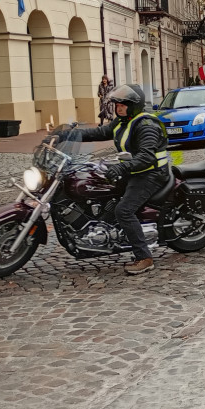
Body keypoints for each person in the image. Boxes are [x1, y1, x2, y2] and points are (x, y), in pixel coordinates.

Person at [53, 84, 170, 275]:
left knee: (124, 210)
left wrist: (122, 166)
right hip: (134, 170)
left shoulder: (146, 125)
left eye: (124, 104)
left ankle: (144, 257)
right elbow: (99, 133)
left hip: (150, 173)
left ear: (134, 105)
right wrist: (66, 135)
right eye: (117, 104)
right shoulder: (122, 122)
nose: (119, 107)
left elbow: (146, 157)